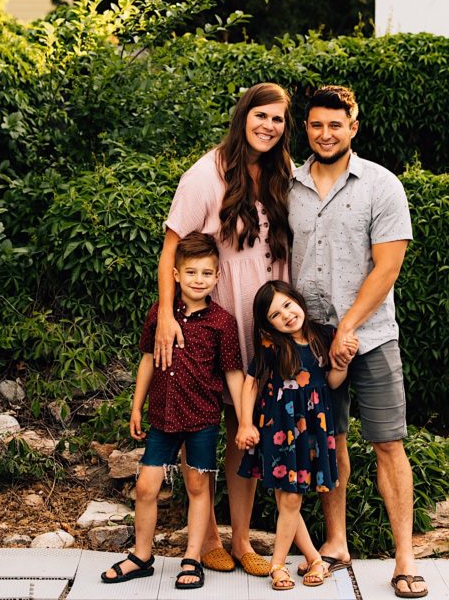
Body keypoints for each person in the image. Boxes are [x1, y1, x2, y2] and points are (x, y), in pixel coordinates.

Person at [289, 85, 428, 600]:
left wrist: (348, 327)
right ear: (306, 128)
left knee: (388, 442)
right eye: (316, 125)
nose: (325, 134)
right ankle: (336, 541)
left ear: (353, 125)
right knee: (330, 439)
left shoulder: (381, 185)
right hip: (307, 340)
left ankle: (405, 558)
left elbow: (388, 266)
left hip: (369, 337)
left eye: (335, 124)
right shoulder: (289, 186)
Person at [154, 83, 293, 576]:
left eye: (278, 119)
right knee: (203, 424)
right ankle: (206, 534)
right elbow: (172, 247)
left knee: (245, 427)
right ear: (243, 117)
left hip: (264, 320)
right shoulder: (206, 174)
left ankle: (241, 540)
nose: (268, 126)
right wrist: (168, 316)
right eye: (261, 115)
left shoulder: (284, 173)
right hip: (212, 318)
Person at [101, 232, 244, 590]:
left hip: (202, 418)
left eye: (207, 273)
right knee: (146, 487)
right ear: (176, 275)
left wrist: (245, 420)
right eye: (191, 272)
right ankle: (141, 556)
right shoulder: (160, 314)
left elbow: (233, 373)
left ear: (217, 277)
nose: (199, 280)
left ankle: (192, 558)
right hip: (163, 416)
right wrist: (136, 406)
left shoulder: (222, 323)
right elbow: (148, 359)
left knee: (199, 485)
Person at [236, 281, 358, 591]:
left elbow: (331, 381)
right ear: (268, 324)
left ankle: (313, 558)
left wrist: (342, 364)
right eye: (276, 314)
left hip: (313, 429)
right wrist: (245, 424)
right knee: (289, 497)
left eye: (288, 305)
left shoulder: (322, 336)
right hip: (280, 428)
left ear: (298, 300)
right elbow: (252, 382)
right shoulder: (272, 347)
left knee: (289, 498)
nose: (287, 316)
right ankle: (279, 565)